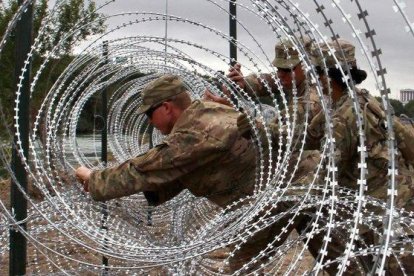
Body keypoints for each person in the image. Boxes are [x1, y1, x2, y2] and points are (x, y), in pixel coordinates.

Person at [305, 38, 414, 274]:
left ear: (327, 76)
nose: (314, 79)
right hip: (399, 202)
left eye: (316, 72)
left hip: (382, 218)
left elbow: (326, 176)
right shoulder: (365, 100)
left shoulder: (341, 119)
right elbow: (308, 135)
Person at [75, 74, 257, 208]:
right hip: (261, 200)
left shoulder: (192, 135)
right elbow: (181, 171)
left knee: (246, 260)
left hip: (260, 207)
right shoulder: (210, 109)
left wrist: (93, 179)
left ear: (166, 108)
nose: (149, 120)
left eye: (149, 113)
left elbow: (144, 170)